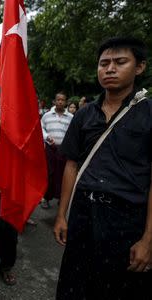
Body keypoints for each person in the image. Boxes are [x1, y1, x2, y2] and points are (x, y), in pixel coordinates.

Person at [54, 37, 152, 299]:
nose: (110, 69)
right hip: (83, 213)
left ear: (139, 67)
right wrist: (62, 215)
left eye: (120, 62)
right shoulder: (84, 115)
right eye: (104, 63)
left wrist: (148, 239)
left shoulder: (149, 114)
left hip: (127, 220)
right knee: (74, 286)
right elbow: (71, 164)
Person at [40, 92, 73, 208]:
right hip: (50, 149)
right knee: (49, 173)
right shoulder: (47, 115)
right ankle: (46, 198)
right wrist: (46, 137)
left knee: (63, 174)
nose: (60, 102)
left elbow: (72, 133)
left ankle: (61, 198)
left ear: (66, 102)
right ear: (54, 101)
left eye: (62, 100)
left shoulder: (71, 117)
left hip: (63, 150)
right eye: (58, 99)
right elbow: (41, 128)